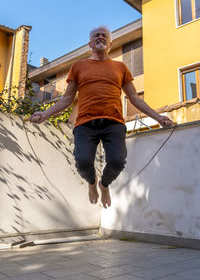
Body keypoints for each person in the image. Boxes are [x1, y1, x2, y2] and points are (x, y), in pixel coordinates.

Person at [30, 26, 174, 209]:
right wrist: (44, 114)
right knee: (82, 163)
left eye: (103, 35)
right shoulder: (78, 66)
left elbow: (135, 98)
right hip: (85, 124)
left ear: (110, 44)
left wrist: (158, 118)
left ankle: (104, 185)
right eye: (96, 35)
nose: (100, 37)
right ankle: (92, 182)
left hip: (113, 123)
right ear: (90, 43)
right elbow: (67, 99)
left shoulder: (120, 67)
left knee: (117, 161)